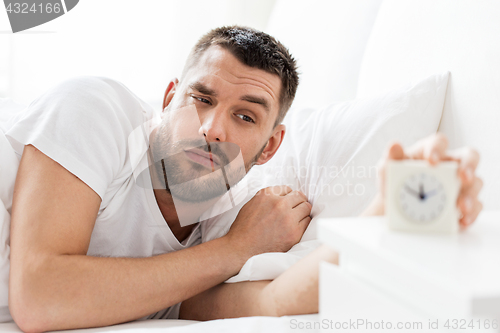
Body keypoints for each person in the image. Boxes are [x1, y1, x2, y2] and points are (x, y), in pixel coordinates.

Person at [0, 26, 482, 332]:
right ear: (169, 98)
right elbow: (40, 297)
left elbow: (274, 302)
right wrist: (237, 249)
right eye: (201, 99)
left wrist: (394, 215)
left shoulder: (227, 218)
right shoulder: (95, 108)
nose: (212, 130)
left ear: (270, 147)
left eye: (246, 118)